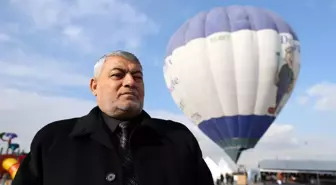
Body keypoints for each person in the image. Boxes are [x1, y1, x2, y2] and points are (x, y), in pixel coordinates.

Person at [12, 50, 214, 185]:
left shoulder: (178, 138)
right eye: (118, 75)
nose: (130, 82)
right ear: (94, 86)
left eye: (138, 77)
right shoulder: (52, 141)